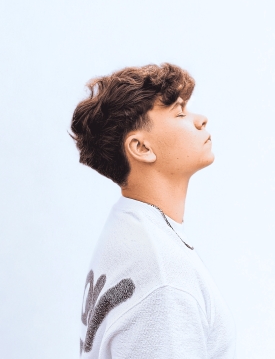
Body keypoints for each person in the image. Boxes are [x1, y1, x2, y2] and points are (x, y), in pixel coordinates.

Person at [70, 63, 236, 358]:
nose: (201, 120)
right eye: (180, 113)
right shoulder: (164, 278)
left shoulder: (127, 227)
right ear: (141, 147)